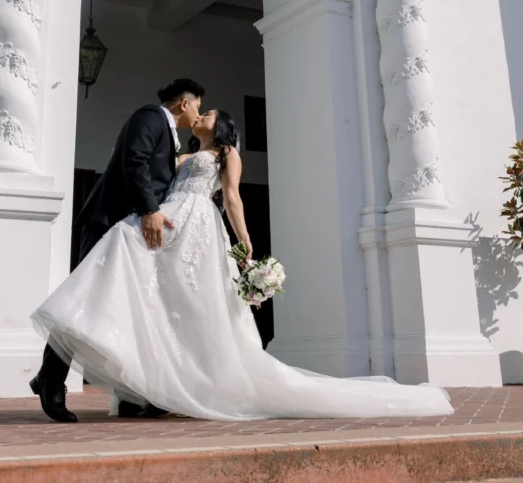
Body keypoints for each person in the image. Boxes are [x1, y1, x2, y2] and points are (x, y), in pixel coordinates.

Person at [32, 108, 453, 421]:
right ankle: (142, 387)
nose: (205, 113)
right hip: (169, 216)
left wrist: (245, 240)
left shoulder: (227, 152)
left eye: (211, 112)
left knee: (146, 268)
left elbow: (231, 196)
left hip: (196, 223)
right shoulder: (187, 151)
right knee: (152, 293)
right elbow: (154, 172)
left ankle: (133, 385)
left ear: (223, 126)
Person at [30, 79, 205, 422]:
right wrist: (150, 210)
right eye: (199, 105)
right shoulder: (151, 117)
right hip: (106, 221)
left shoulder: (168, 132)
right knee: (83, 300)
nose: (199, 113)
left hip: (124, 230)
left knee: (123, 307)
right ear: (184, 103)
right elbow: (134, 159)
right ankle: (51, 377)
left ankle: (130, 393)